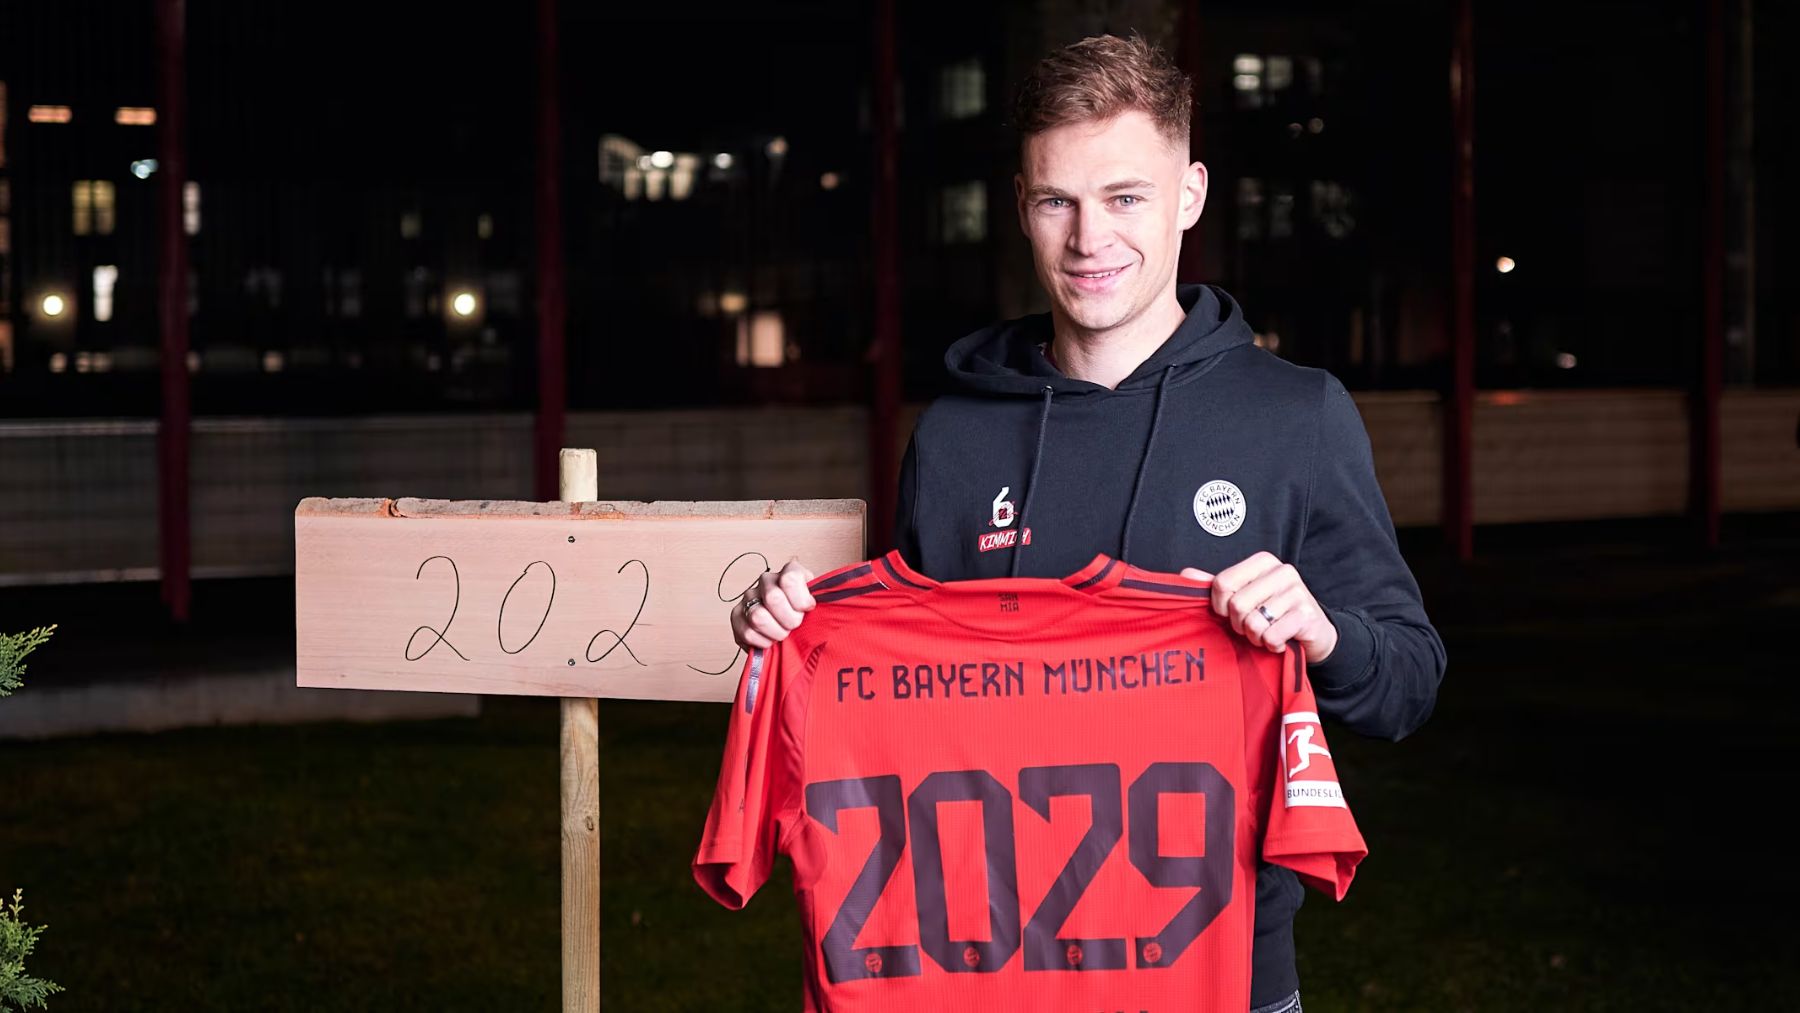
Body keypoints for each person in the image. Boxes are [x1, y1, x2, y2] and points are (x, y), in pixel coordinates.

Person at [730, 32, 1445, 1013]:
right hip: (981, 971)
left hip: (1222, 976)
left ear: (1189, 195)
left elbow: (1407, 681)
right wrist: (792, 640)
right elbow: (908, 692)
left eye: (1124, 197)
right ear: (1021, 207)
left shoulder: (1296, 416)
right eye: (1056, 200)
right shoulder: (957, 436)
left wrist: (1323, 631)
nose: (1088, 238)